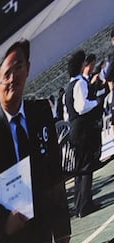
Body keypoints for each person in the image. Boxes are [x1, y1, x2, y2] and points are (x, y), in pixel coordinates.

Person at [0, 39, 70, 243]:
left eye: (19, 67)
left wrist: (62, 226)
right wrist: (4, 220)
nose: (13, 77)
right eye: (7, 74)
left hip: (38, 241)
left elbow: (54, 172)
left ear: (28, 69)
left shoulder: (41, 113)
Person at [65, 49, 101, 218]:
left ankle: (79, 204)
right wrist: (96, 102)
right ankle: (86, 205)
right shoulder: (80, 83)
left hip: (74, 130)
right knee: (86, 167)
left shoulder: (69, 87)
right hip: (82, 130)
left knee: (79, 170)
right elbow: (81, 107)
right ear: (81, 66)